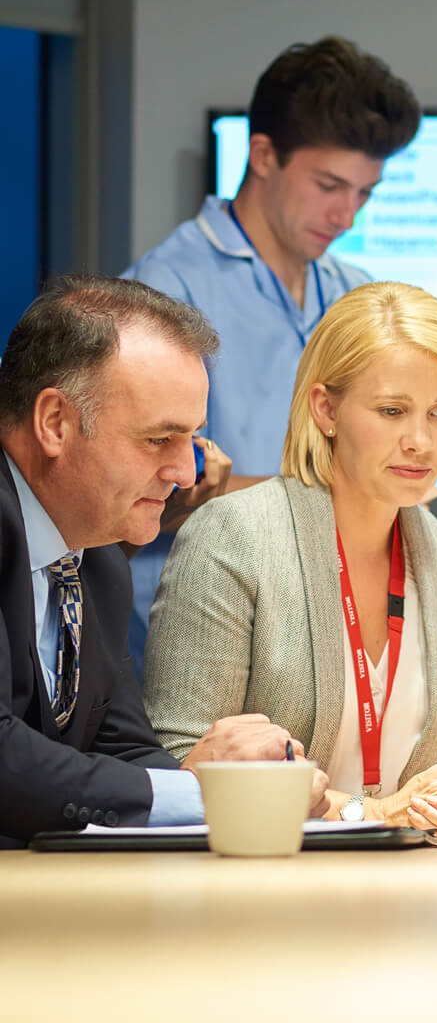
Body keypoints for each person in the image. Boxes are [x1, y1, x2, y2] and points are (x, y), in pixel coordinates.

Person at [142, 282, 437, 845]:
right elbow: (182, 766)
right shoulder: (236, 534)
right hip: (261, 891)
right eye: (393, 411)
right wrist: (374, 812)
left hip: (421, 893)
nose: (422, 441)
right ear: (325, 409)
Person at [120, 36, 423, 666]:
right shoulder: (161, 293)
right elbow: (134, 489)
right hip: (190, 640)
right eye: (330, 184)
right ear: (263, 154)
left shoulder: (356, 293)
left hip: (323, 644)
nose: (346, 214)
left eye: (364, 193)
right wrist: (345, 494)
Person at [0, 276, 328, 847]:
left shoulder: (97, 563)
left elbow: (121, 748)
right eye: (159, 440)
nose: (187, 474)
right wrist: (205, 793)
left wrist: (237, 785)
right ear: (55, 422)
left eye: (193, 439)